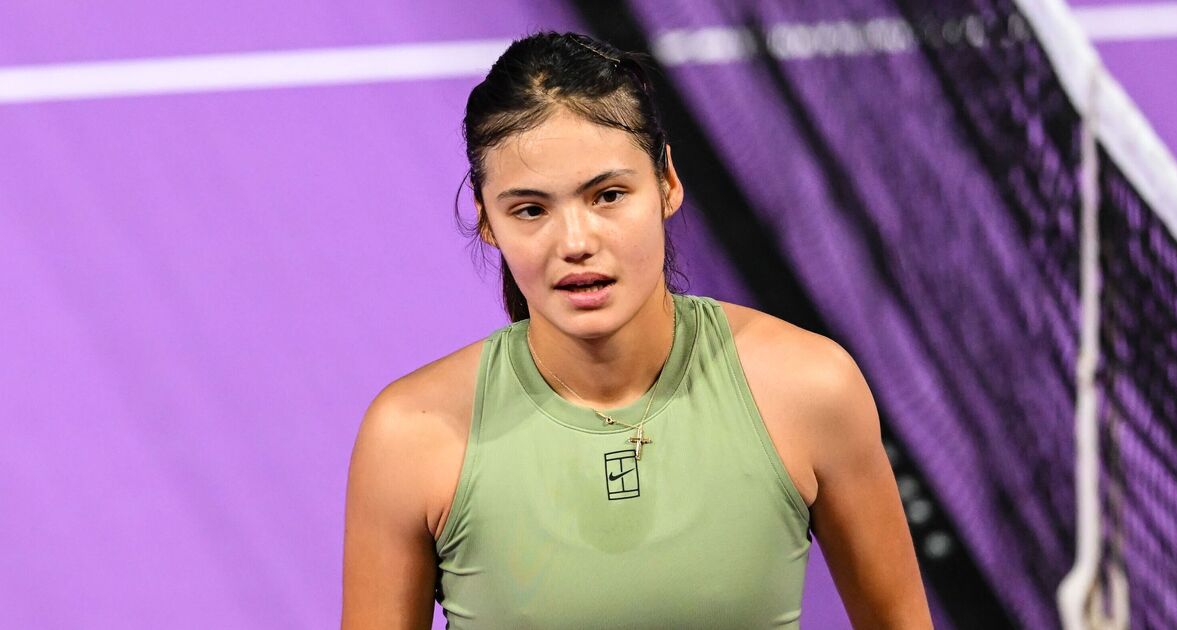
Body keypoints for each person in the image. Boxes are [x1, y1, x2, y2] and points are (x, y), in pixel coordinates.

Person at [341, 30, 932, 629]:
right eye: (531, 210)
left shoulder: (812, 388)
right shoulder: (408, 438)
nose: (575, 243)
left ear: (667, 183)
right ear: (487, 220)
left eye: (608, 195)